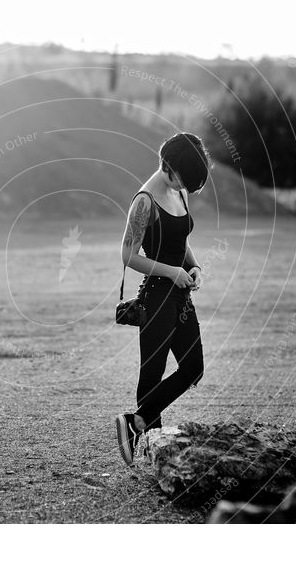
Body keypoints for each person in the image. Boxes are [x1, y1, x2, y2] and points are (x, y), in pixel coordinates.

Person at [115, 132, 210, 466]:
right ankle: (152, 451)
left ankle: (135, 423)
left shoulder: (179, 191)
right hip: (157, 296)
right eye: (184, 177)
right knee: (151, 376)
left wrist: (194, 266)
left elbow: (180, 238)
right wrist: (171, 272)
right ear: (168, 165)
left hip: (182, 296)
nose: (185, 185)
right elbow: (127, 254)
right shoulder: (145, 201)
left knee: (193, 368)